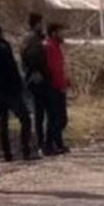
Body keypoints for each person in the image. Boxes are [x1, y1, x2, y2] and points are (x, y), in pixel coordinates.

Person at [0, 23, 37, 162]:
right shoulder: (3, 46)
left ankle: (7, 153)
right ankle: (25, 150)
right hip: (10, 89)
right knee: (25, 119)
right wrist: (19, 86)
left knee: (3, 121)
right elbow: (11, 68)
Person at [19, 13, 50, 153]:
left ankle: (42, 142)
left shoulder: (33, 38)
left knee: (41, 111)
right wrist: (37, 72)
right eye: (40, 23)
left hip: (36, 77)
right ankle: (40, 143)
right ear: (37, 23)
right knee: (40, 112)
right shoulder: (32, 39)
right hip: (37, 78)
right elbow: (32, 58)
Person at [42, 23, 70, 155]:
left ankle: (58, 144)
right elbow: (53, 69)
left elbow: (60, 67)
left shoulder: (56, 46)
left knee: (60, 118)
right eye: (61, 32)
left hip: (59, 85)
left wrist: (66, 81)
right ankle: (49, 145)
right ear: (54, 33)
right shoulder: (49, 47)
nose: (63, 35)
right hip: (53, 87)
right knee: (55, 118)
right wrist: (60, 85)